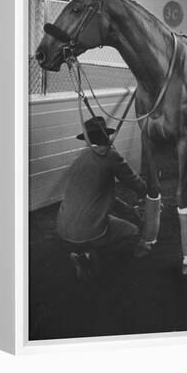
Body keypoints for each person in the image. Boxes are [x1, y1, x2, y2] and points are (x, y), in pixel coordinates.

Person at [56, 116, 149, 281]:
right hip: (88, 230)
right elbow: (136, 183)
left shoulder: (79, 158)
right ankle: (89, 256)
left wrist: (128, 210)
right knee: (133, 233)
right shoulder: (110, 156)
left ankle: (82, 252)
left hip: (63, 229)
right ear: (104, 136)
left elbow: (101, 198)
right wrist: (148, 193)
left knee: (97, 214)